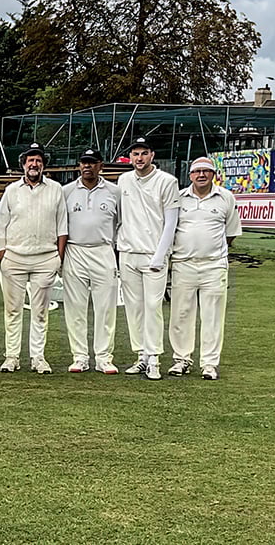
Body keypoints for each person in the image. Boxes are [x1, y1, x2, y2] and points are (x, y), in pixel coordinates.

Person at [0, 142, 68, 375]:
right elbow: (0, 226)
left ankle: (38, 358)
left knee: (40, 312)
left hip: (45, 258)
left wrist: (57, 258)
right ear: (23, 164)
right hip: (14, 258)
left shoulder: (55, 189)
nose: (34, 164)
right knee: (13, 310)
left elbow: (62, 227)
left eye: (38, 160)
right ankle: (12, 357)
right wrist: (3, 255)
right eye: (30, 160)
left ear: (44, 165)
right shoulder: (12, 190)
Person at [167, 157, 241, 380]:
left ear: (213, 175)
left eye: (206, 171)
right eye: (197, 171)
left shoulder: (225, 197)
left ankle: (209, 364)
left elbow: (230, 233)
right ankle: (181, 360)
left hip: (214, 265)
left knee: (213, 316)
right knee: (181, 314)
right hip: (183, 264)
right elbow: (170, 229)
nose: (201, 175)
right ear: (190, 175)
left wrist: (211, 250)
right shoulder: (179, 197)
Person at [116, 137, 180, 380]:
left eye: (144, 153)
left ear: (152, 155)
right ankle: (141, 356)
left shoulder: (167, 181)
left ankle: (154, 359)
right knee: (134, 308)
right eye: (135, 154)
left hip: (153, 255)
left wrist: (160, 255)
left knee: (153, 307)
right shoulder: (124, 180)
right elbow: (120, 216)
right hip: (128, 253)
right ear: (130, 157)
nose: (139, 158)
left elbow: (171, 221)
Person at [61, 149, 121, 374]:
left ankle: (104, 357)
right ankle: (80, 357)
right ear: (79, 165)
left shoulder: (114, 191)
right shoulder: (67, 191)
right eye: (84, 162)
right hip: (75, 250)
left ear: (100, 166)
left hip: (103, 250)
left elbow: (121, 222)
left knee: (105, 307)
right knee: (75, 307)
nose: (87, 166)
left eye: (92, 163)